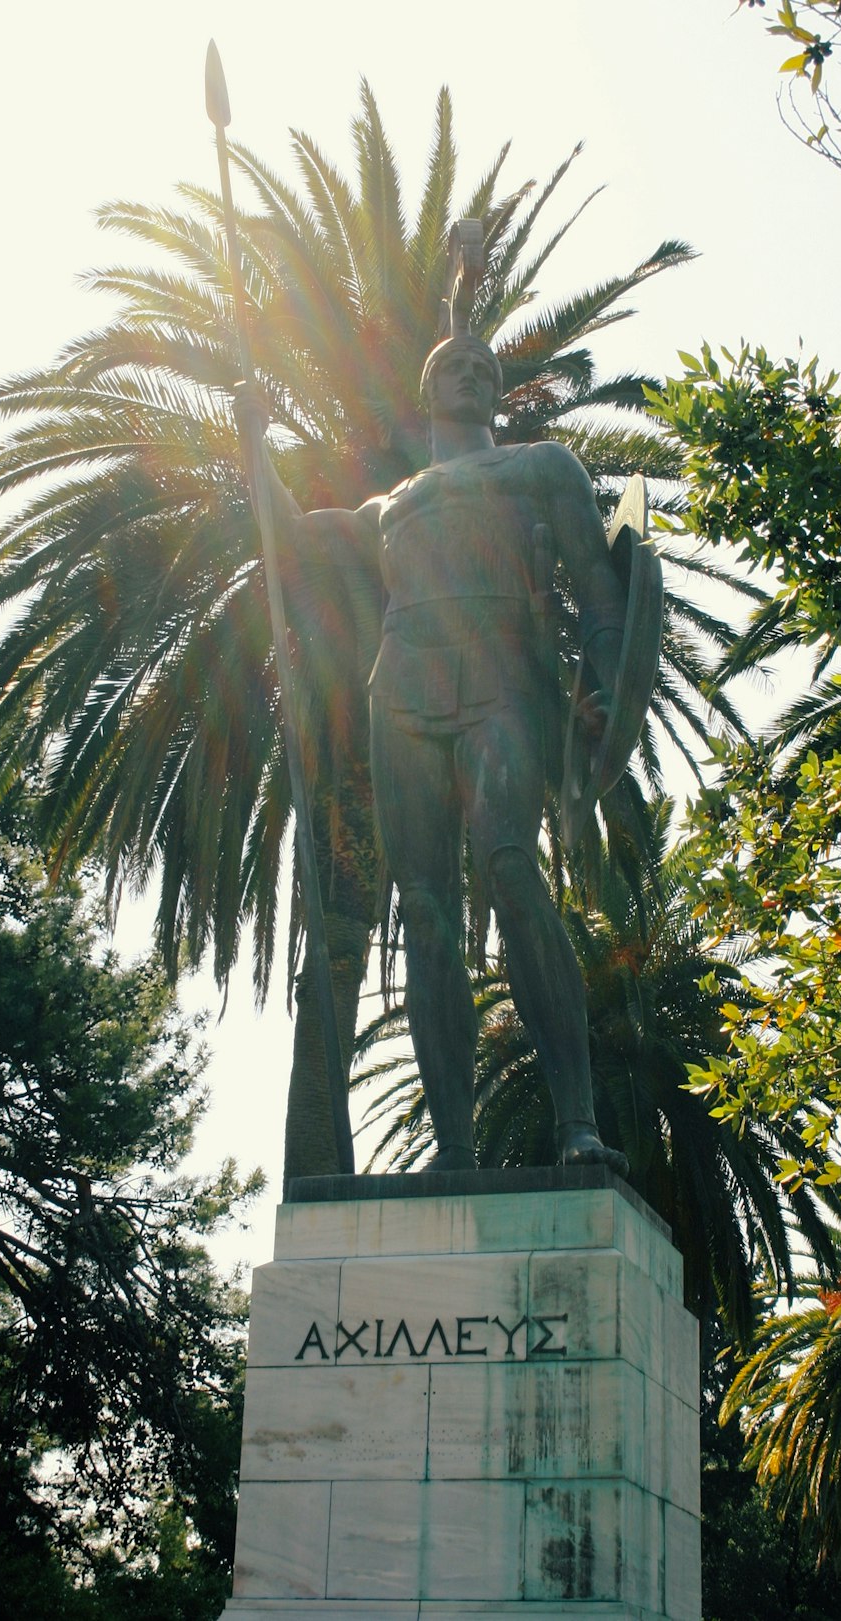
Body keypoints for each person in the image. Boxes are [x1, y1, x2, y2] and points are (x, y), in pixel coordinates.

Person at [258, 326, 634, 1176]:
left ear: (498, 394)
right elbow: (286, 532)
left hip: (504, 679)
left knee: (508, 864)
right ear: (428, 390)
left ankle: (578, 1121)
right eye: (454, 365)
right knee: (424, 911)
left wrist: (602, 686)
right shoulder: (388, 507)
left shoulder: (541, 469)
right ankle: (455, 1150)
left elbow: (608, 596)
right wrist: (253, 436)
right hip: (404, 693)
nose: (471, 373)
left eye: (485, 369)